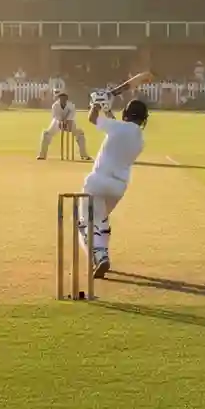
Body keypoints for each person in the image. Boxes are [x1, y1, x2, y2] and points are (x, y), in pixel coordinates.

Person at [79, 93, 148, 278]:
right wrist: (107, 109)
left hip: (98, 181)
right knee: (101, 220)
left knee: (84, 222)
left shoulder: (118, 128)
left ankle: (99, 256)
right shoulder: (139, 140)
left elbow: (92, 118)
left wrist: (95, 103)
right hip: (118, 188)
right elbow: (119, 128)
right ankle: (101, 253)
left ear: (126, 113)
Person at [37, 91, 90, 160]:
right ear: (59, 99)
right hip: (57, 122)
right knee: (46, 134)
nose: (62, 100)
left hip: (70, 122)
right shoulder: (55, 106)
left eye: (64, 98)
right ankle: (42, 155)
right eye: (61, 98)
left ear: (67, 99)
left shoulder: (71, 105)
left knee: (80, 134)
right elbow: (56, 116)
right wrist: (61, 122)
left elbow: (72, 115)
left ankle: (84, 155)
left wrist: (67, 121)